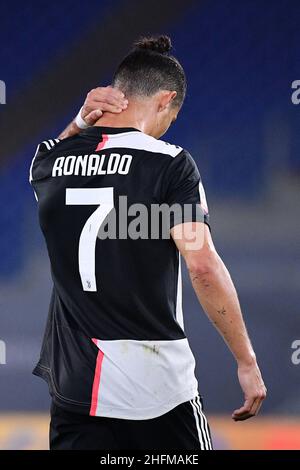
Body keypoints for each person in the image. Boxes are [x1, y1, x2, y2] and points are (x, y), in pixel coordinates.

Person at [29, 35, 266, 450]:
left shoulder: (48, 161)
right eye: (171, 117)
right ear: (165, 99)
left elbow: (59, 150)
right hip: (157, 393)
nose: (167, 126)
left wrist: (82, 121)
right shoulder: (170, 164)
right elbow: (202, 265)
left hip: (75, 390)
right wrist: (246, 360)